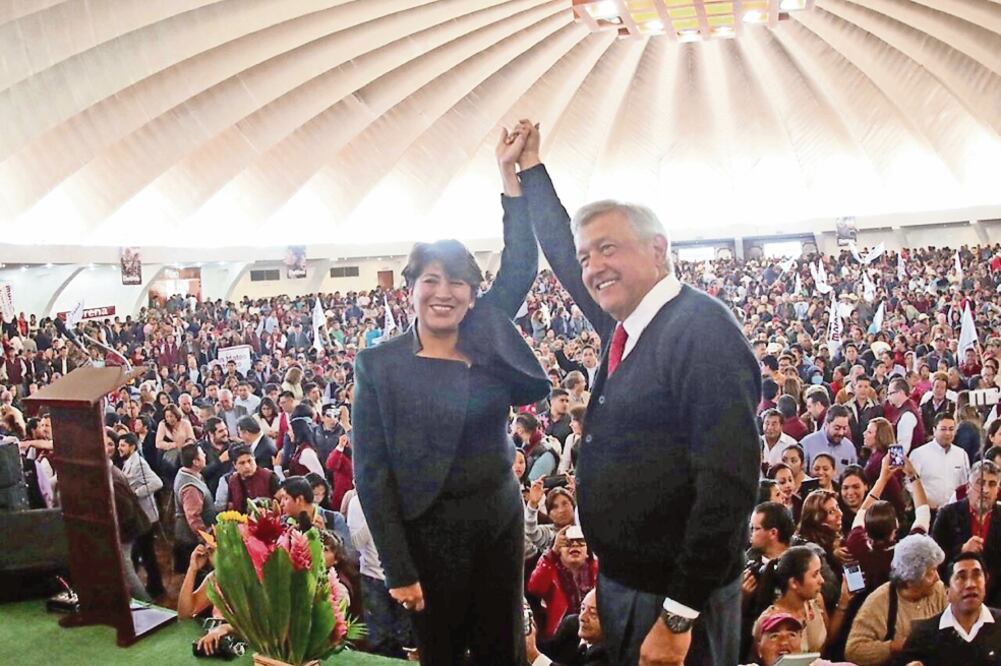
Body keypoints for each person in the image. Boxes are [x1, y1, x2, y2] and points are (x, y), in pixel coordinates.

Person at [516, 121, 760, 666]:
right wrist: (530, 171)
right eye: (587, 257)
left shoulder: (702, 332)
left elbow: (728, 486)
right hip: (628, 584)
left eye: (609, 249)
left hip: (675, 600)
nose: (593, 268)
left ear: (657, 250)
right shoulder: (627, 328)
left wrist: (678, 617)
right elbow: (562, 252)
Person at [353, 126, 550, 666]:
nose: (445, 293)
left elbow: (521, 263)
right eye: (431, 281)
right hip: (427, 534)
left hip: (498, 519)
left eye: (458, 281)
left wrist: (508, 174)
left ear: (472, 292)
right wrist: (399, 569)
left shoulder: (485, 329)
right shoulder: (378, 365)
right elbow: (371, 473)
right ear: (410, 288)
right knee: (440, 650)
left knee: (501, 646)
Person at [844, 533, 946, 665]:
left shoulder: (939, 591)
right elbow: (853, 651)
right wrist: (893, 647)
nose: (937, 578)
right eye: (930, 573)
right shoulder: (878, 602)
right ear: (910, 580)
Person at [895, 553, 1001, 665]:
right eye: (961, 577)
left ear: (986, 581)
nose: (971, 584)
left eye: (977, 575)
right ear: (947, 591)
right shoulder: (924, 635)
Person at [847, 454, 931, 593]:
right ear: (896, 526)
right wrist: (912, 475)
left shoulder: (856, 542)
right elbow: (923, 513)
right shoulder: (905, 552)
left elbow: (862, 511)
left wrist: (883, 478)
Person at [930, 460, 1001, 604]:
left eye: (992, 484)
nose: (985, 490)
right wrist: (961, 550)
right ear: (968, 487)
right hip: (954, 599)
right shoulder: (947, 515)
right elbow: (933, 559)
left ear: (998, 490)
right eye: (980, 483)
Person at [741, 502, 796, 660]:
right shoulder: (747, 568)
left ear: (773, 533)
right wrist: (743, 598)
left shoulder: (803, 561)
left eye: (756, 529)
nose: (751, 533)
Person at [528, 525, 599, 640]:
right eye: (567, 543)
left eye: (580, 542)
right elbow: (535, 588)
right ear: (558, 551)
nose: (575, 546)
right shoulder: (549, 568)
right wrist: (552, 554)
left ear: (587, 551)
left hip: (594, 633)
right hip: (559, 636)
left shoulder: (598, 571)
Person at [117, 432, 165, 598]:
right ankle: (150, 586)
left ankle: (154, 588)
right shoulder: (130, 462)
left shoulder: (138, 463)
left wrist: (136, 493)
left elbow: (157, 482)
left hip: (147, 516)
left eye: (123, 445)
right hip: (140, 516)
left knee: (145, 553)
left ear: (132, 446)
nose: (119, 448)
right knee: (142, 553)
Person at [529, 588, 608, 666]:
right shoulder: (572, 625)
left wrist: (534, 656)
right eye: (583, 608)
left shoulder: (612, 653)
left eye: (593, 613)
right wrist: (528, 636)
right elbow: (550, 649)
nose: (582, 617)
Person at [909, 413, 970, 510]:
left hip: (955, 511)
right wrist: (924, 503)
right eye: (943, 429)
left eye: (951, 429)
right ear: (934, 430)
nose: (948, 433)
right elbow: (910, 484)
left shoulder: (961, 454)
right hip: (928, 510)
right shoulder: (919, 454)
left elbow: (965, 483)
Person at [172, 442, 217, 573]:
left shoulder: (187, 474)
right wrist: (206, 539)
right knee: (198, 577)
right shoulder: (190, 487)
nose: (205, 455)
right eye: (202, 454)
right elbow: (194, 518)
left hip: (189, 536)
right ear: (196, 462)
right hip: (191, 540)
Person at [801, 405, 858, 476]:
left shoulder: (849, 447)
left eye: (844, 428)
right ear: (826, 424)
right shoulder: (807, 443)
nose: (841, 433)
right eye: (837, 428)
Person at [226, 444, 279, 513]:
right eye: (242, 463)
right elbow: (231, 506)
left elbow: (281, 504)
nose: (247, 466)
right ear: (235, 465)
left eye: (250, 461)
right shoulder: (233, 481)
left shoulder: (269, 476)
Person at [884, 378, 925, 455]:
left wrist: (894, 465)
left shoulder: (907, 415)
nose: (888, 397)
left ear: (901, 393)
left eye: (890, 393)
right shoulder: (903, 408)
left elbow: (903, 448)